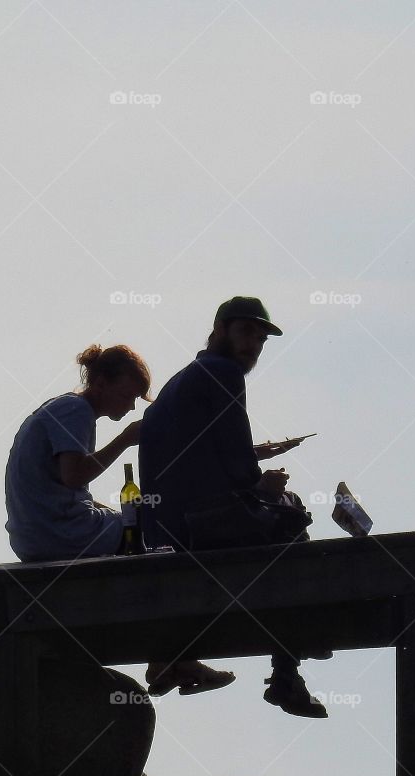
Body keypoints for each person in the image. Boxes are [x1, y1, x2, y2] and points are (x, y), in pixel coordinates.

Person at [4, 343, 235, 696]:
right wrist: (127, 439)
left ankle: (167, 657)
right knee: (167, 532)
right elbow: (73, 476)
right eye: (127, 395)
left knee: (141, 524)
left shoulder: (61, 408)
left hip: (37, 534)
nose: (130, 406)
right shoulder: (76, 410)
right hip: (59, 534)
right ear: (99, 383)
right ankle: (173, 656)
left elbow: (63, 487)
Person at [139, 297, 329, 718]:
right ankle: (293, 658)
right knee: (291, 513)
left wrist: (251, 474)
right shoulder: (222, 372)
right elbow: (238, 465)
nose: (254, 346)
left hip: (163, 527)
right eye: (246, 333)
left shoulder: (184, 378)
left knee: (279, 512)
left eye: (261, 339)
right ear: (220, 329)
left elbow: (207, 455)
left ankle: (289, 659)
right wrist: (262, 484)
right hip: (195, 525)